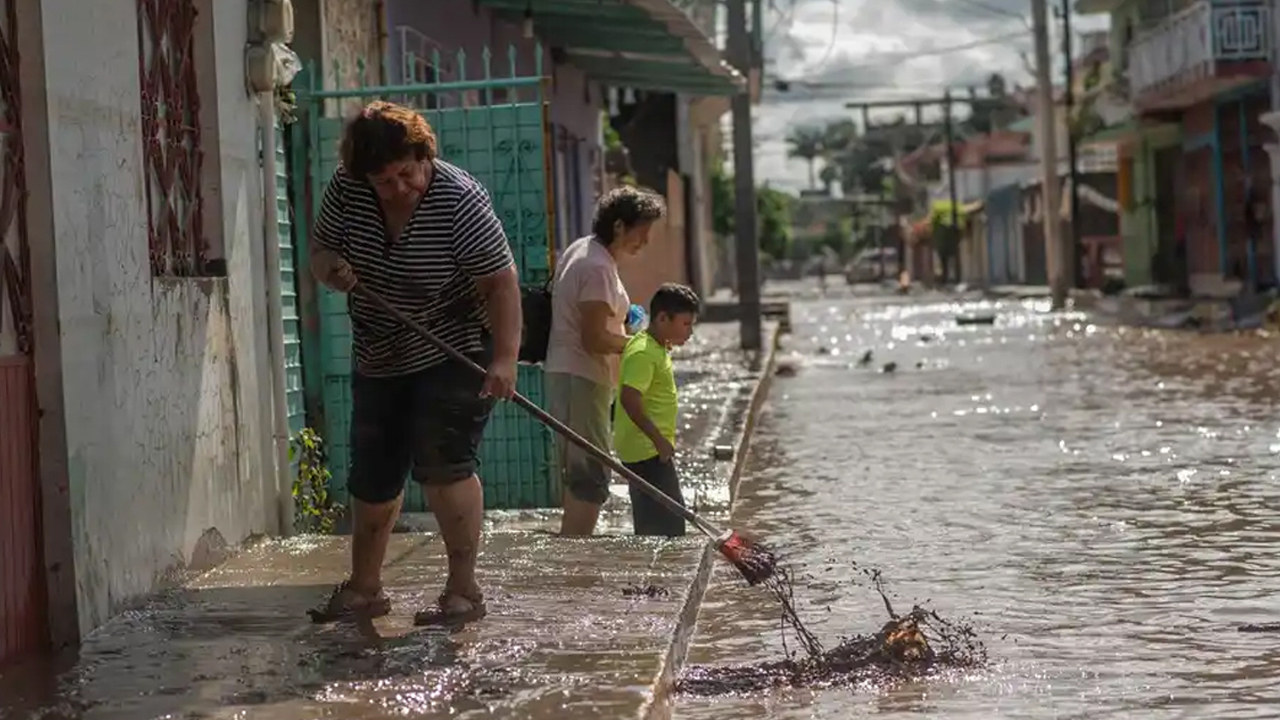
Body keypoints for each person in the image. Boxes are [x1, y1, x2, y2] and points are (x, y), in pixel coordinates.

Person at [307, 101, 522, 626]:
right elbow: (319, 253)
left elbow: (500, 283)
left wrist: (505, 360)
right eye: (384, 181)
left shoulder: (459, 199)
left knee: (443, 461)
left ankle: (463, 591)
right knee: (373, 471)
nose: (399, 189)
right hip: (380, 350)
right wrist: (331, 271)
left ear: (424, 155)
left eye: (407, 173)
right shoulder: (346, 189)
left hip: (453, 343)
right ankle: (364, 588)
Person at [545, 186, 666, 536]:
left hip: (572, 375)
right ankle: (578, 558)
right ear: (618, 226)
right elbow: (594, 337)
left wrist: (627, 323)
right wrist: (643, 348)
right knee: (591, 474)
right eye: (641, 233)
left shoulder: (584, 251)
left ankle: (573, 549)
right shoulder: (596, 267)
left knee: (581, 471)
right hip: (580, 376)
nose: (643, 243)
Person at [613, 284, 700, 536]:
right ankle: (659, 572)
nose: (691, 332)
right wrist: (658, 439)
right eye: (685, 324)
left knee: (660, 521)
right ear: (663, 318)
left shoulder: (656, 345)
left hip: (649, 448)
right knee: (667, 526)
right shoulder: (643, 352)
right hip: (646, 451)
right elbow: (630, 399)